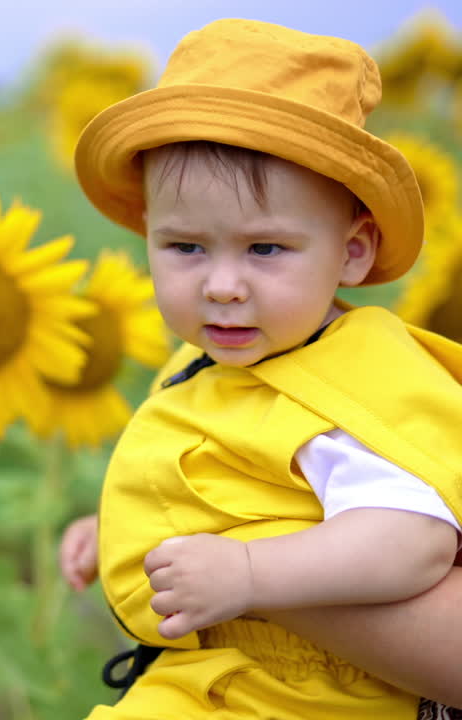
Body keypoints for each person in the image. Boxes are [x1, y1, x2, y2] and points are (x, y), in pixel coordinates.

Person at [67, 17, 462, 720]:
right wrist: (119, 522)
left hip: (314, 694)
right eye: (186, 247)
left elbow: (413, 540)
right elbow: (197, 471)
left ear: (352, 252)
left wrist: (250, 572)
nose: (222, 284)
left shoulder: (355, 385)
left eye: (266, 250)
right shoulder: (205, 360)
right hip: (217, 678)